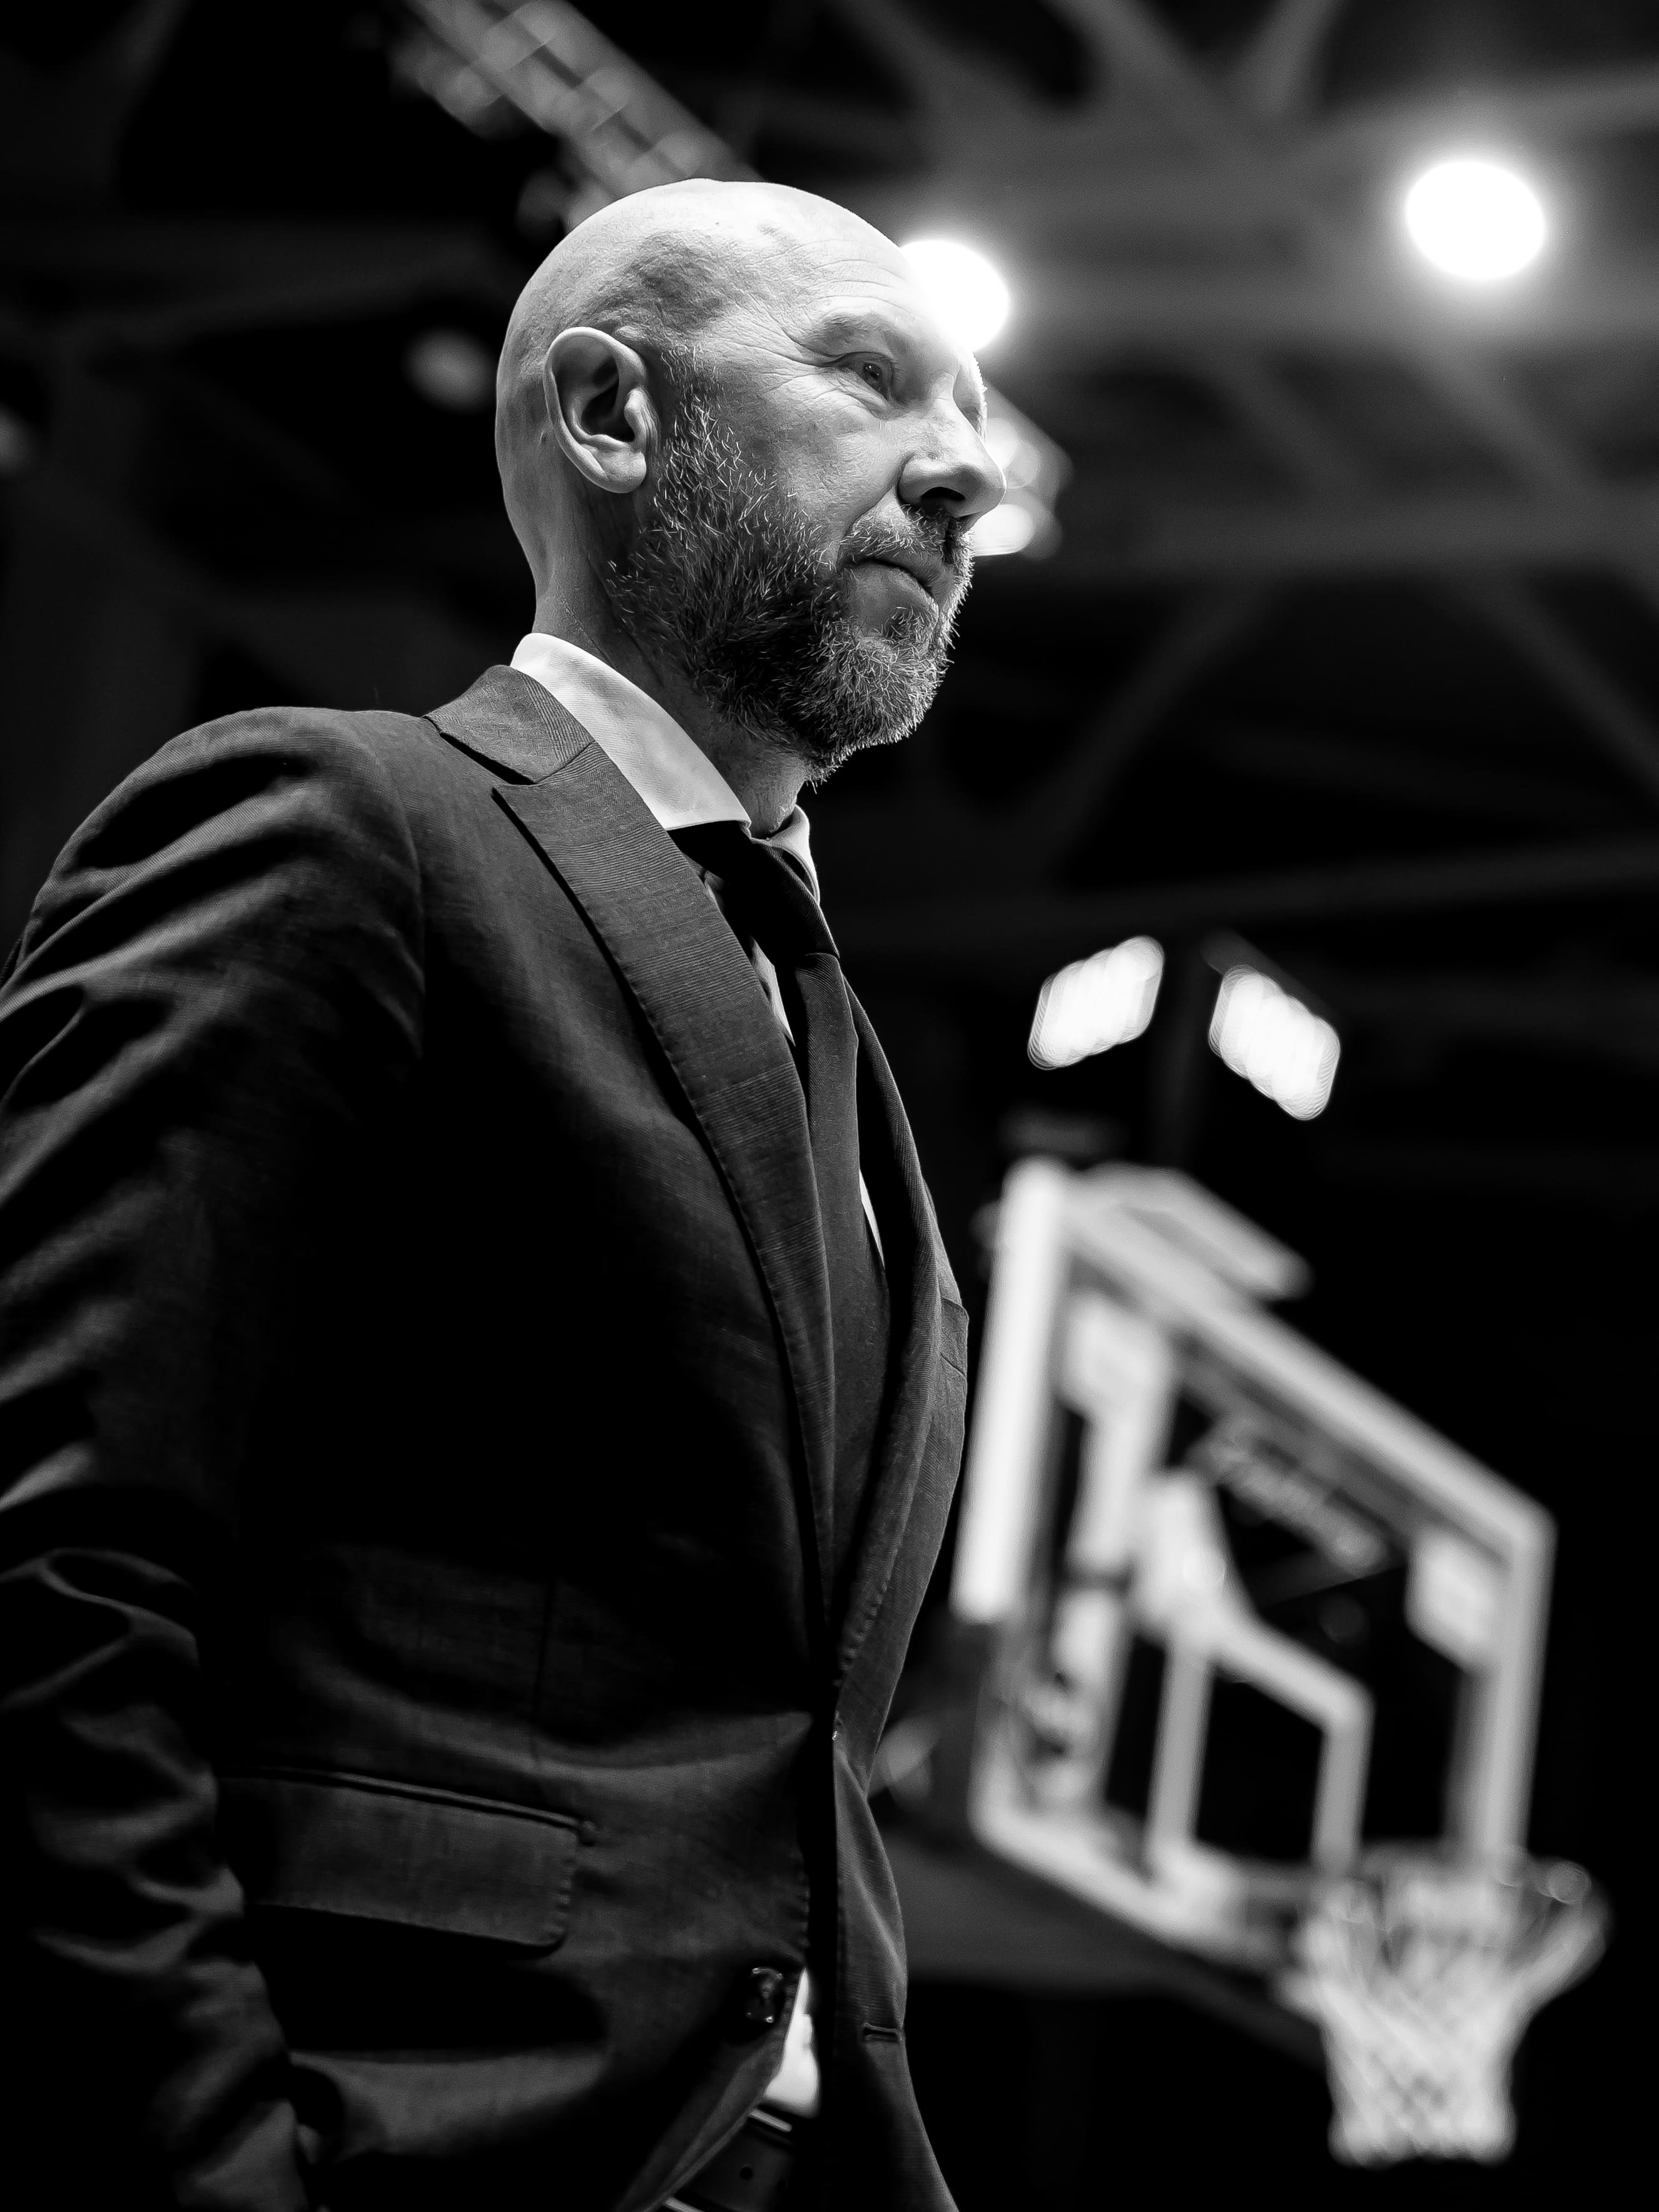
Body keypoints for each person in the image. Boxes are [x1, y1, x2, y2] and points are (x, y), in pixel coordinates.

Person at [0, 179, 1004, 2211]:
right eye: (869, 378)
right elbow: (54, 1565)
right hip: (392, 2127)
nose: (965, 473)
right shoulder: (345, 822)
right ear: (614, 413)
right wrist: (216, 2168)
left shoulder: (837, 1049)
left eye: (973, 419)